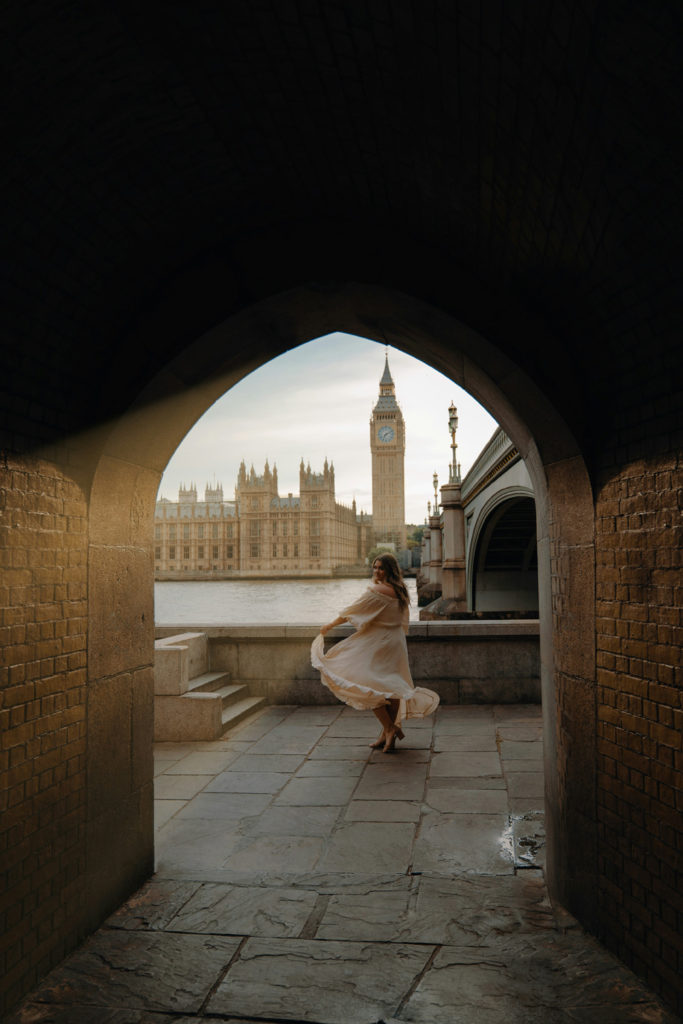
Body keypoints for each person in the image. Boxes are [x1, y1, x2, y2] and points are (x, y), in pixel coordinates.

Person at [311, 553, 440, 753]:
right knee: (391, 685)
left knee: (367, 683)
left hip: (379, 643)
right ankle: (387, 735)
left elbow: (351, 612)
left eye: (380, 568)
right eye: (375, 567)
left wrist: (329, 625)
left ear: (389, 569)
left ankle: (389, 728)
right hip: (395, 642)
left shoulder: (378, 590)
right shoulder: (401, 590)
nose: (376, 571)